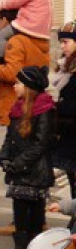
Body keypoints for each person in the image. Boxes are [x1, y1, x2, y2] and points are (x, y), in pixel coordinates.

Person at [0, 66, 54, 249]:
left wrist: (20, 163)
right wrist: (4, 157)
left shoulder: (44, 109)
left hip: (35, 169)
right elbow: (9, 137)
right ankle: (21, 246)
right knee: (19, 208)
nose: (14, 86)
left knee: (36, 210)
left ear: (29, 87)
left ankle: (36, 245)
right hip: (18, 168)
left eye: (18, 83)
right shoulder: (17, 108)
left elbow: (41, 144)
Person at [0, 0, 54, 125]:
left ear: (4, 20)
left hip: (15, 107)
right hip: (33, 103)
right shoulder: (39, 42)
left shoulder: (17, 41)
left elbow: (12, 73)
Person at [51, 23, 76, 198]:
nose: (61, 46)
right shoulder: (66, 69)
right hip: (68, 136)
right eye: (61, 42)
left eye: (65, 42)